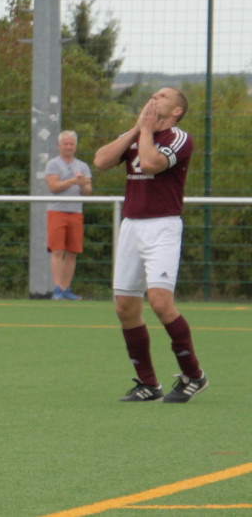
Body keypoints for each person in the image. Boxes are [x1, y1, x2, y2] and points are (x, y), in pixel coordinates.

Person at [93, 87, 207, 403]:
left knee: (159, 303)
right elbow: (101, 161)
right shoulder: (136, 134)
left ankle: (194, 376)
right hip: (131, 226)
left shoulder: (179, 139)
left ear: (177, 111)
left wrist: (144, 131)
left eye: (163, 96)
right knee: (125, 308)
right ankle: (149, 384)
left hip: (162, 226)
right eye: (153, 94)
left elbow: (151, 162)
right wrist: (136, 129)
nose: (154, 98)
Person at [43, 130, 92, 301]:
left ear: (75, 146)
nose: (69, 147)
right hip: (57, 211)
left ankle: (66, 288)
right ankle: (57, 288)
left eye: (71, 144)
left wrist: (83, 182)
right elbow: (53, 187)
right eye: (66, 144)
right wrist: (74, 180)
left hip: (76, 212)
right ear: (59, 146)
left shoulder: (83, 166)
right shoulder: (53, 165)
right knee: (57, 250)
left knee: (72, 252)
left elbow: (87, 191)